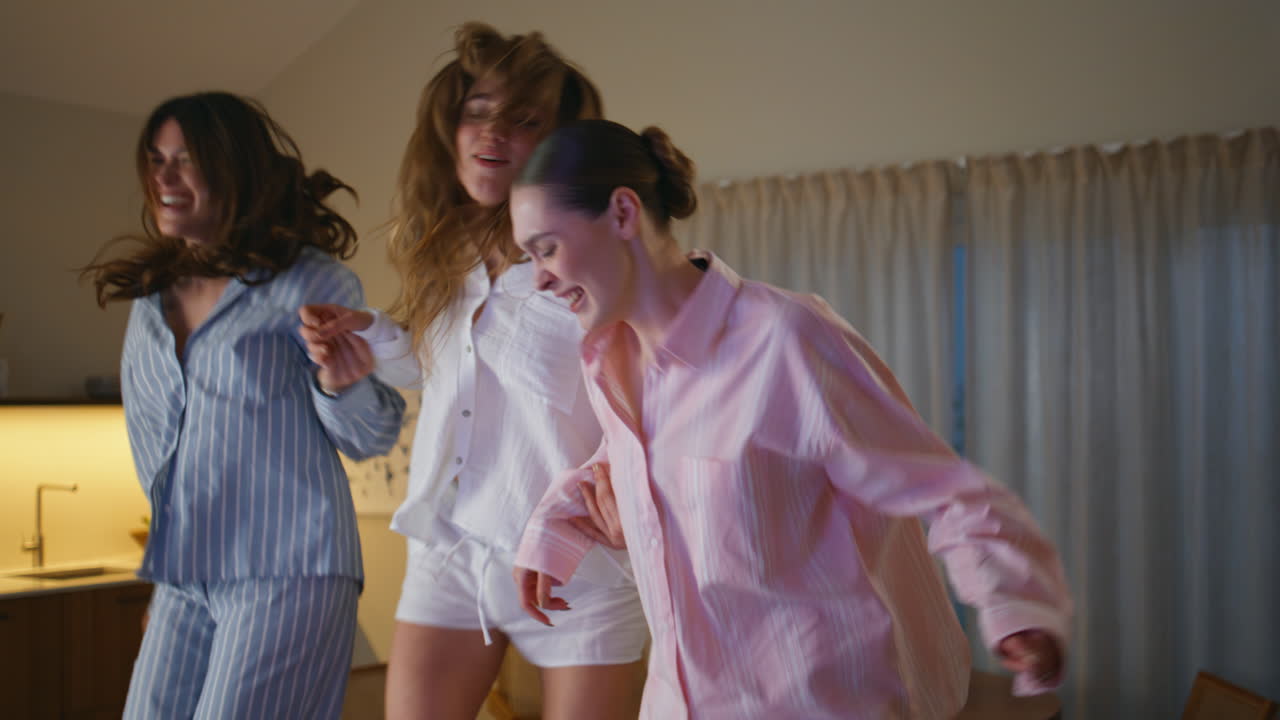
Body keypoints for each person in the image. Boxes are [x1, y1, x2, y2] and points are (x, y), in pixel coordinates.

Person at [509, 119, 1074, 719]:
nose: (538, 277)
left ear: (623, 214)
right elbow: (625, 463)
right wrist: (555, 528)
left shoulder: (786, 339)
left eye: (546, 247)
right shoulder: (610, 361)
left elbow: (942, 488)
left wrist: (1014, 606)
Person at [298, 23, 647, 720]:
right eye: (477, 112)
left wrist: (624, 492)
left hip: (580, 564)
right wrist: (373, 339)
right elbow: (448, 379)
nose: (492, 134)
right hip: (451, 552)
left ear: (558, 143)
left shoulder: (595, 257)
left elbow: (654, 391)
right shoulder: (447, 253)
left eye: (523, 120)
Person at [82, 91, 406, 719]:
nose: (164, 176)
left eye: (186, 158)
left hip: (290, 566)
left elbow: (372, 433)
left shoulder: (309, 280)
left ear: (234, 168)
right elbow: (159, 443)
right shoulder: (151, 301)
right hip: (187, 574)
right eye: (156, 159)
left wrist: (342, 383)